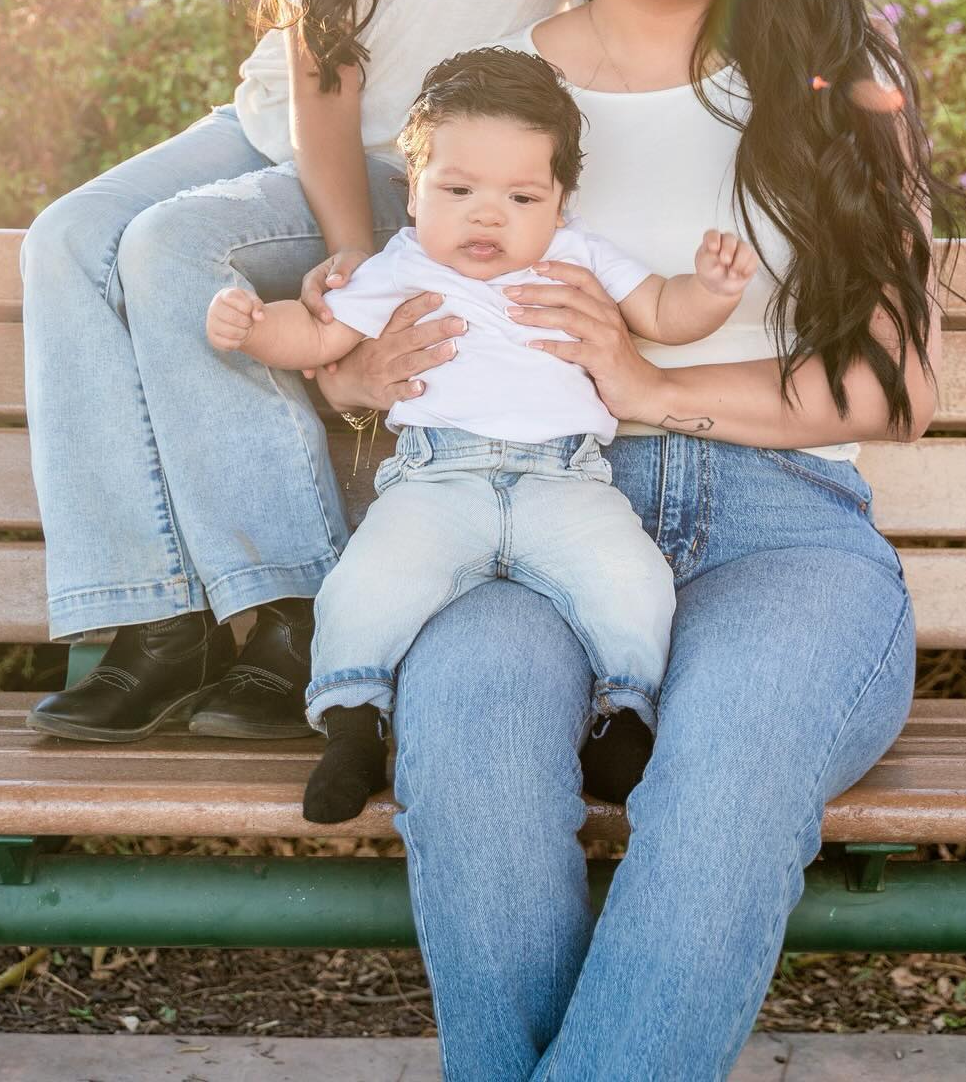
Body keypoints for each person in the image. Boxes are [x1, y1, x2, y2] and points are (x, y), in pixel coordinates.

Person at [312, 0, 966, 1079]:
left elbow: (895, 383)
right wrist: (355, 368)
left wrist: (655, 381)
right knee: (471, 727)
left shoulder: (834, 89)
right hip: (522, 518)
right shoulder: (489, 83)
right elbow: (376, 302)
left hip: (781, 535)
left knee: (726, 769)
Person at [22, 0, 591, 742]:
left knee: (176, 249)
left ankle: (289, 619)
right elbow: (314, 86)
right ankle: (154, 620)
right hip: (285, 138)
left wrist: (364, 256)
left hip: (425, 173)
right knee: (69, 237)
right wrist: (344, 252)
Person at [204, 45, 760, 820]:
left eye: (522, 197)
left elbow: (665, 312)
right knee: (367, 587)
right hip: (438, 482)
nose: (487, 214)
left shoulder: (580, 256)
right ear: (414, 194)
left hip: (567, 482)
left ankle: (622, 720)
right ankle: (354, 723)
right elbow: (320, 338)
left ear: (562, 204)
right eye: (458, 189)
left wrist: (712, 289)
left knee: (633, 585)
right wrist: (258, 328)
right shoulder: (400, 267)